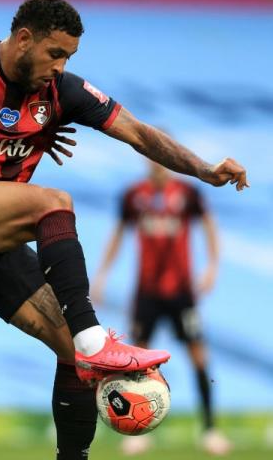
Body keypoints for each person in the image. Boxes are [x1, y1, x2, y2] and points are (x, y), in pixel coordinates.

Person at [0, 0, 248, 459]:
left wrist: (204, 170)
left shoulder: (59, 94)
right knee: (52, 203)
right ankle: (95, 336)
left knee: (71, 351)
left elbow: (139, 133)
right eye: (56, 53)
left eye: (69, 57)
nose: (61, 65)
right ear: (23, 38)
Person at [92, 160, 232, 455]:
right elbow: (118, 234)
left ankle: (209, 430)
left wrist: (212, 266)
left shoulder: (187, 193)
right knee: (137, 360)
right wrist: (102, 274)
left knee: (198, 356)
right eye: (151, 157)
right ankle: (136, 431)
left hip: (182, 291)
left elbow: (208, 225)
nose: (156, 163)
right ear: (145, 160)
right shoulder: (134, 195)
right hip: (147, 292)